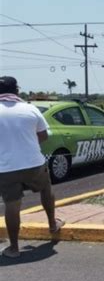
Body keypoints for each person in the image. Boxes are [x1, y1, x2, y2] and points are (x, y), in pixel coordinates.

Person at [0, 76, 65, 258]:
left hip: (6, 168)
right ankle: (52, 225)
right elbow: (43, 135)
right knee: (46, 189)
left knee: (12, 205)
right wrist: (26, 143)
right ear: (17, 90)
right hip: (33, 163)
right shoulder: (30, 109)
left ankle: (14, 248)